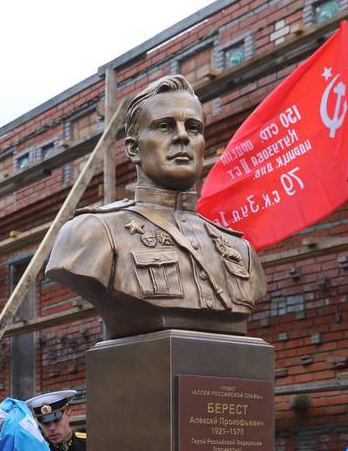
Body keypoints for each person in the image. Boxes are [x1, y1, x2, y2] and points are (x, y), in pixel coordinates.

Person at [46, 74, 266, 339]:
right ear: (133, 149)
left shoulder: (239, 249)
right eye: (164, 126)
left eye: (193, 127)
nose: (182, 136)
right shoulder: (92, 233)